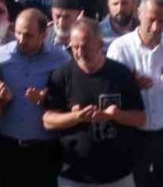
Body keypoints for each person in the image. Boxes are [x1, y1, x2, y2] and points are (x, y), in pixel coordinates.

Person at [43, 18, 147, 187]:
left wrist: (116, 115)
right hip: (75, 174)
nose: (79, 52)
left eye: (85, 47)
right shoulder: (61, 76)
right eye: (75, 47)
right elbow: (48, 120)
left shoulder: (120, 74)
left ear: (100, 44)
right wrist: (76, 117)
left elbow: (141, 119)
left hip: (117, 174)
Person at [106, 0, 163, 187]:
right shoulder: (120, 48)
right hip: (133, 136)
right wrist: (131, 85)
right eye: (151, 20)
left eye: (161, 21)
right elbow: (110, 96)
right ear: (139, 13)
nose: (155, 27)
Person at [0, 7, 70, 187]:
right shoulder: (1, 55)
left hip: (44, 150)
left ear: (43, 35)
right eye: (17, 33)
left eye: (28, 35)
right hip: (7, 147)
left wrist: (47, 98)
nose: (21, 40)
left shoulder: (61, 59)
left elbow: (71, 97)